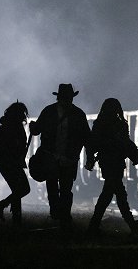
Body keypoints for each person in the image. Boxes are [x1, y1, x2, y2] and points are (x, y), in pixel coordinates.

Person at [85, 98, 138, 237]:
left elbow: (94, 143)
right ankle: (131, 224)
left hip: (109, 163)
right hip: (113, 163)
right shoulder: (119, 124)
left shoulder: (101, 124)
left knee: (109, 194)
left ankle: (95, 225)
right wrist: (137, 156)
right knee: (118, 194)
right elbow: (125, 144)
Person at [29, 83, 90, 236]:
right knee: (61, 188)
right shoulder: (78, 114)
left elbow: (37, 131)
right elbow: (87, 139)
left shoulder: (49, 111)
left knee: (62, 188)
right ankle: (62, 216)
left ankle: (61, 214)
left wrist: (33, 128)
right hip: (57, 157)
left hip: (63, 158)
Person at [0, 101, 31, 225]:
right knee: (24, 189)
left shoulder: (7, 125)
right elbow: (16, 147)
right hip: (11, 163)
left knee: (17, 190)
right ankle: (1, 206)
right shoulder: (15, 127)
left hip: (5, 163)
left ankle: (16, 220)